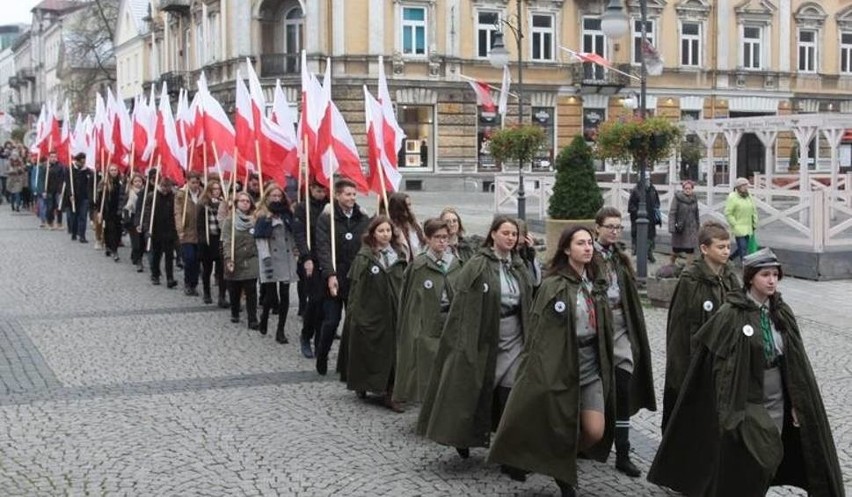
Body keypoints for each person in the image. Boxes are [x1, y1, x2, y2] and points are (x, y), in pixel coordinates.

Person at [648, 248, 844, 497]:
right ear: (751, 277)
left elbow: (795, 363)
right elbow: (714, 362)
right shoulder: (731, 314)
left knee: (771, 455)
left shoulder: (781, 312)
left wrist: (797, 401)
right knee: (762, 454)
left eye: (775, 274)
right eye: (765, 275)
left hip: (777, 395)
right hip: (746, 396)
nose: (772, 280)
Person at [488, 225, 615, 497]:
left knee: (594, 431)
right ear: (567, 249)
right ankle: (562, 472)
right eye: (581, 243)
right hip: (562, 366)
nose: (588, 247)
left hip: (591, 366)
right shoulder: (553, 285)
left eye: (590, 243)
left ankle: (551, 459)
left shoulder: (596, 283)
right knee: (557, 424)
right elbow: (540, 330)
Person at [417, 215, 534, 474]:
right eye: (505, 233)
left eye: (514, 234)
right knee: (474, 390)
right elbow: (463, 305)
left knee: (510, 395)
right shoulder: (478, 265)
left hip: (514, 336)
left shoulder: (518, 265)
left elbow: (530, 298)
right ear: (493, 234)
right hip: (485, 337)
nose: (510, 238)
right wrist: (464, 342)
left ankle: (509, 457)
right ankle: (462, 436)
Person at [592, 206, 655, 477]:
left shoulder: (620, 258)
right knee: (595, 391)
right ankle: (588, 440)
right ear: (598, 227)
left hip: (620, 329)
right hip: (594, 332)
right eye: (610, 226)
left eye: (618, 227)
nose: (615, 231)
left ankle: (623, 452)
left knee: (623, 387)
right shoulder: (588, 255)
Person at [661, 220, 740, 431]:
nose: (726, 252)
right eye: (720, 247)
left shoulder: (730, 276)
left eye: (728, 247)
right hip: (697, 356)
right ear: (705, 249)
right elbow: (679, 328)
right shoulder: (690, 280)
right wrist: (682, 367)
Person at [343, 215, 407, 412]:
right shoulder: (365, 257)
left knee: (394, 353)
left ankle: (391, 392)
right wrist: (356, 313)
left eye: (388, 230)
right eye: (381, 231)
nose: (385, 234)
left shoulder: (398, 255)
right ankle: (364, 383)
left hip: (394, 312)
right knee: (370, 350)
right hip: (372, 313)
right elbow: (357, 289)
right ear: (372, 234)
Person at [394, 218, 462, 404]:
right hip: (427, 324)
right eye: (438, 237)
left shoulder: (455, 264)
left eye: (445, 237)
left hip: (449, 321)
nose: (442, 241)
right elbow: (410, 303)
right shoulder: (419, 266)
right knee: (427, 368)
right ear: (428, 238)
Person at [314, 178, 370, 375]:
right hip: (334, 278)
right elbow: (323, 248)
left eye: (354, 194)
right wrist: (330, 274)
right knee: (331, 321)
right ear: (337, 195)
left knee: (354, 323)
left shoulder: (362, 218)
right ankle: (322, 354)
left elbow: (368, 245)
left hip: (355, 277)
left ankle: (348, 363)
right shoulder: (326, 219)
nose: (352, 198)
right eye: (348, 194)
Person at [253, 184, 298, 344]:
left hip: (286, 258)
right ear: (267, 197)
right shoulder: (263, 216)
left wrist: (296, 250)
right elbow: (261, 239)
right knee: (271, 295)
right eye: (274, 196)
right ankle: (264, 316)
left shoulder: (287, 214)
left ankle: (281, 330)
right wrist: (265, 257)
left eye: (279, 196)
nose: (277, 199)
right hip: (271, 258)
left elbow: (292, 234)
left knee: (285, 295)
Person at [293, 181, 330, 358]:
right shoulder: (302, 208)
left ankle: (320, 339)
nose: (321, 193)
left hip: (329, 259)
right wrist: (306, 257)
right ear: (310, 189)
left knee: (326, 302)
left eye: (324, 190)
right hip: (311, 260)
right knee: (314, 300)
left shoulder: (331, 207)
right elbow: (299, 234)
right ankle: (306, 335)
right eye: (318, 190)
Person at [222, 191, 259, 330]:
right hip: (235, 256)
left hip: (251, 258)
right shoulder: (230, 220)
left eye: (247, 201)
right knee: (235, 287)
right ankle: (235, 311)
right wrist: (228, 257)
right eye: (242, 200)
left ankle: (252, 319)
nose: (245, 203)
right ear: (236, 203)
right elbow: (226, 240)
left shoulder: (255, 219)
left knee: (251, 289)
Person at [142, 177, 178, 288]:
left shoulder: (173, 197)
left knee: (169, 256)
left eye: (167, 187)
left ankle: (170, 277)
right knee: (157, 254)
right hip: (156, 229)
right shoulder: (152, 196)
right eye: (163, 186)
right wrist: (147, 228)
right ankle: (155, 275)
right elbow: (147, 213)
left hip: (169, 230)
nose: (165, 189)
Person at [197, 180, 227, 307]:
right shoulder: (203, 204)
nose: (217, 191)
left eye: (218, 189)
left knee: (221, 270)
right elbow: (199, 224)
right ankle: (207, 293)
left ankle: (222, 296)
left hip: (220, 239)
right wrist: (203, 239)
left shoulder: (223, 203)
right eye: (214, 189)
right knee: (207, 269)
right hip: (208, 240)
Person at [175, 171, 204, 296]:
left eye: (197, 182)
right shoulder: (181, 195)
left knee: (197, 260)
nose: (195, 185)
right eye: (192, 182)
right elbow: (177, 213)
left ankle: (194, 284)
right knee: (189, 258)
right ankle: (188, 283)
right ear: (187, 182)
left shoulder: (203, 194)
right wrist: (180, 229)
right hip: (187, 231)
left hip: (200, 232)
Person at [725, 177, 759, 263]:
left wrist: (754, 223)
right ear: (738, 187)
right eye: (744, 185)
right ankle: (745, 267)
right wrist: (734, 224)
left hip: (748, 227)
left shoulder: (749, 197)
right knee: (743, 249)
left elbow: (753, 210)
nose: (746, 187)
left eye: (747, 185)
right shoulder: (732, 197)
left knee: (743, 248)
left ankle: (729, 260)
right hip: (739, 228)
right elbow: (728, 213)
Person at [627, 181, 661, 263]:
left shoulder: (653, 189)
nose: (647, 180)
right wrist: (639, 212)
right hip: (638, 218)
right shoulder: (636, 190)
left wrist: (656, 209)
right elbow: (630, 206)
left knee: (651, 236)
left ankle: (649, 253)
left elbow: (657, 202)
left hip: (651, 218)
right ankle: (640, 255)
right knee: (640, 237)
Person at [668, 180, 700, 265]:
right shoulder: (677, 198)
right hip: (680, 228)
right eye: (686, 188)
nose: (688, 190)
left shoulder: (694, 198)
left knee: (690, 250)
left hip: (691, 228)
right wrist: (672, 227)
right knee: (676, 250)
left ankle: (688, 269)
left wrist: (697, 226)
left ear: (692, 189)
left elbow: (696, 213)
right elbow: (672, 213)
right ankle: (671, 263)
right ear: (683, 189)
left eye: (690, 188)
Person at [387, 192, 425, 262]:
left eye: (410, 204)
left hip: (417, 265)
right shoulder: (390, 228)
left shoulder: (415, 224)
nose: (410, 208)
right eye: (407, 205)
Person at [65, 153, 94, 244]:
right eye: (81, 162)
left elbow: (91, 183)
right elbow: (68, 184)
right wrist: (70, 194)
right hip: (73, 197)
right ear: (77, 161)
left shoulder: (87, 171)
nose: (83, 164)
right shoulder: (70, 170)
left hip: (84, 197)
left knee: (83, 216)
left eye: (84, 162)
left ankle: (82, 235)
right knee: (74, 216)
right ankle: (74, 232)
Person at [98, 164, 125, 260]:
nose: (113, 172)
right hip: (108, 211)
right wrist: (99, 211)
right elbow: (100, 199)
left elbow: (124, 197)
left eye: (115, 170)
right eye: (112, 170)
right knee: (110, 229)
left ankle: (111, 246)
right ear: (108, 172)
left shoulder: (121, 183)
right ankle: (113, 250)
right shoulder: (104, 183)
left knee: (118, 230)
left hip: (118, 210)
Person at [124, 173, 147, 272]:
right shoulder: (129, 193)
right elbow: (124, 206)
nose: (138, 183)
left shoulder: (145, 193)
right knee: (135, 240)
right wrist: (125, 219)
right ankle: (138, 259)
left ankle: (136, 255)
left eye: (140, 181)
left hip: (142, 217)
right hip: (132, 218)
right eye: (136, 181)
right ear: (132, 183)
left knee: (141, 240)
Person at [44, 151, 65, 230]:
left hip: (58, 190)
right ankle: (50, 222)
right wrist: (44, 190)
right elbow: (43, 179)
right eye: (51, 157)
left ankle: (59, 223)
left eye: (54, 157)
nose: (53, 158)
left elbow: (62, 178)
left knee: (58, 207)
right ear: (49, 158)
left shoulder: (60, 167)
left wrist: (61, 189)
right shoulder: (46, 167)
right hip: (49, 190)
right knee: (50, 207)